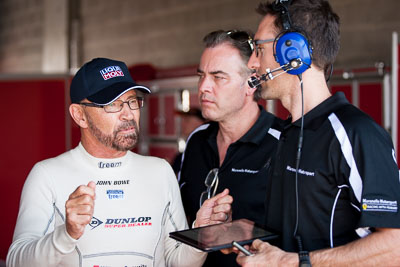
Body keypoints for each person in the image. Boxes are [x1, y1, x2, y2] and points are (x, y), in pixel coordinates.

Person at [6, 57, 232, 267]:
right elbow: (17, 261)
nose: (128, 114)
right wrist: (65, 233)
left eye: (132, 101)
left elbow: (177, 261)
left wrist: (200, 233)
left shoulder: (159, 172)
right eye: (112, 104)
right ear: (79, 115)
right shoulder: (47, 175)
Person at [232, 0, 400, 266]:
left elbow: (395, 246)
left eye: (258, 48)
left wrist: (289, 262)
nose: (252, 62)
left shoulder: (357, 134)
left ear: (292, 52)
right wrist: (246, 235)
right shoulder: (288, 134)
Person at [178, 30, 283, 266]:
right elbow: (180, 218)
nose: (204, 86)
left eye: (218, 77)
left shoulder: (283, 143)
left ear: (251, 83)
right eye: (201, 76)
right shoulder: (197, 140)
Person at [172, 107, 206, 174]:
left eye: (187, 120)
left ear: (199, 123)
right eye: (183, 120)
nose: (182, 124)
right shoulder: (187, 150)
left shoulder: (203, 150)